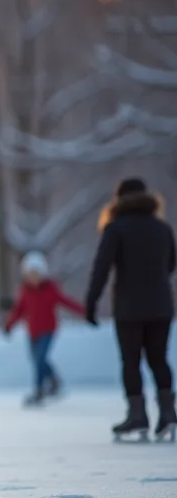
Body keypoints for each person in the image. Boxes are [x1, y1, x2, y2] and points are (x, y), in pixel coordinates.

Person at [85, 178, 176, 442]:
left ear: (118, 200)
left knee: (131, 361)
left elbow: (101, 268)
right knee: (159, 359)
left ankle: (137, 416)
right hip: (161, 305)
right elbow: (171, 264)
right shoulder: (162, 228)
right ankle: (168, 413)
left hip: (129, 308)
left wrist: (92, 302)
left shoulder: (116, 229)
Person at [5, 251, 84, 408]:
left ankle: (39, 390)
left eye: (36, 274)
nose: (33, 278)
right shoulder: (25, 290)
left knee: (40, 358)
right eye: (30, 274)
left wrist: (84, 311)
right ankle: (53, 380)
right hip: (32, 330)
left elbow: (65, 301)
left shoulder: (50, 289)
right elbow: (19, 309)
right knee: (36, 360)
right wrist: (9, 325)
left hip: (48, 330)